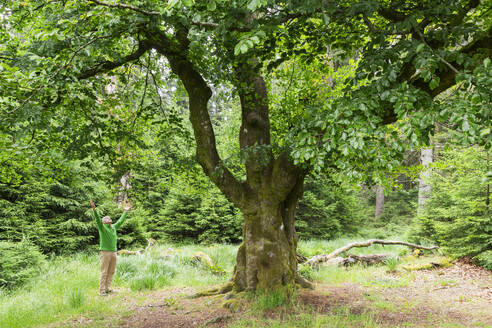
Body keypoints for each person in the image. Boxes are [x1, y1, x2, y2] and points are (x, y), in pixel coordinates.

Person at [90, 199, 131, 296]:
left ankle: (107, 288)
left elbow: (121, 221)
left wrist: (125, 211)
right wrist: (94, 209)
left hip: (113, 252)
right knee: (104, 272)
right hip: (105, 252)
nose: (109, 219)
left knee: (111, 271)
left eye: (109, 218)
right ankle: (102, 290)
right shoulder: (102, 227)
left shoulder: (114, 227)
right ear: (104, 222)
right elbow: (97, 220)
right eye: (107, 218)